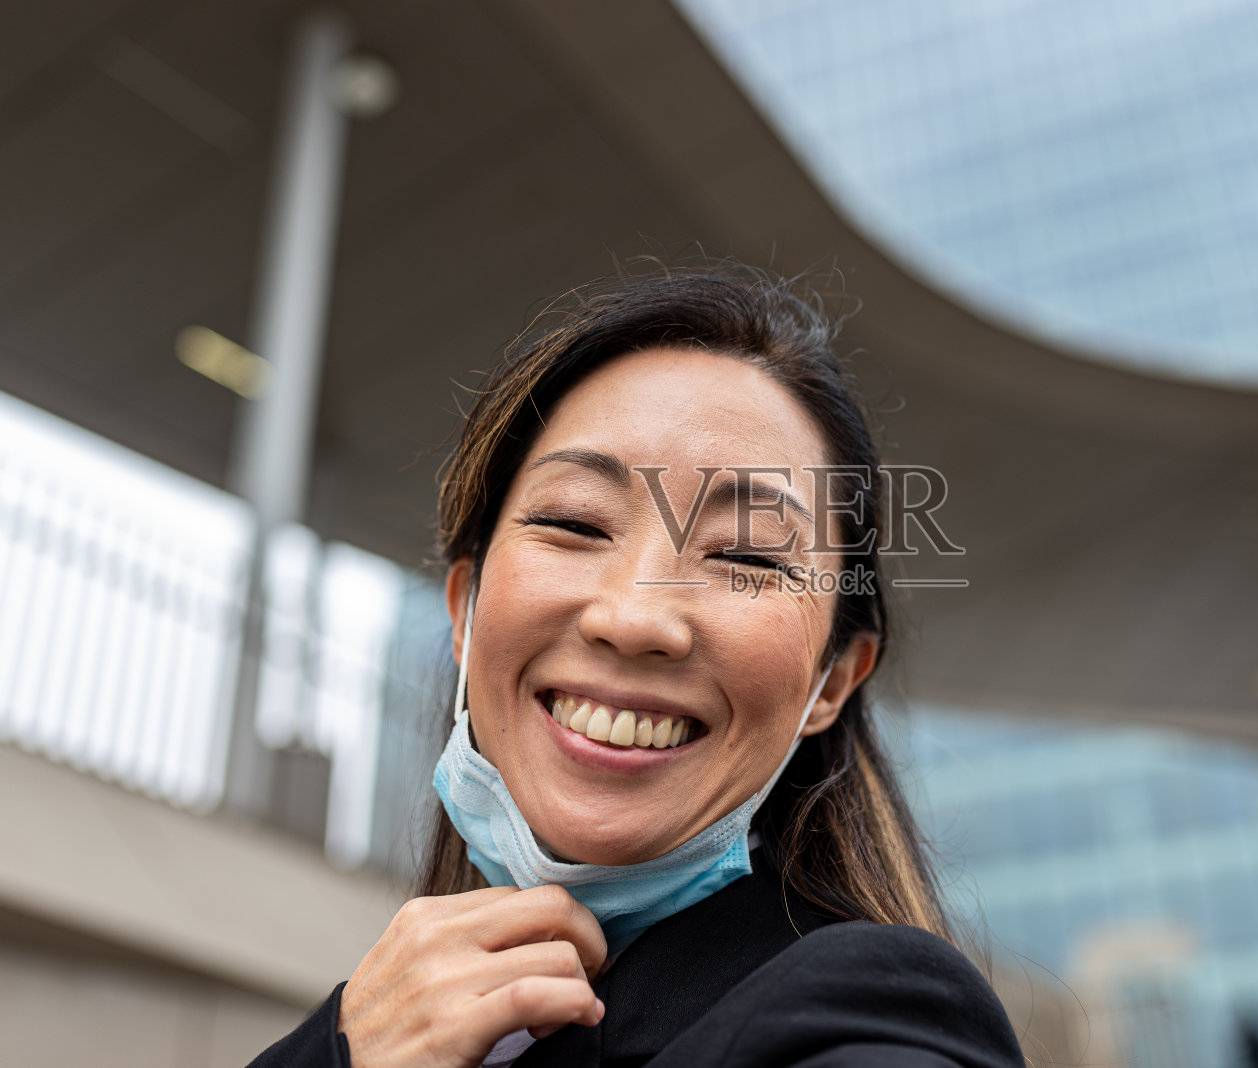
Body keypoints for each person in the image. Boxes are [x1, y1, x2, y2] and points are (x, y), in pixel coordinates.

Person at [249, 263, 1024, 1067]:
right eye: (575, 522)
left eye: (747, 556)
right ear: (464, 610)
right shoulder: (372, 1026)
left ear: (831, 681)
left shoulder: (864, 1018)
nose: (634, 618)